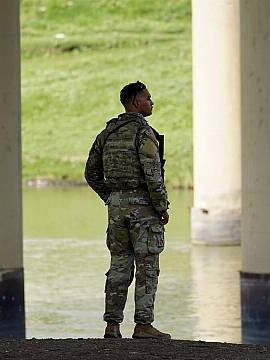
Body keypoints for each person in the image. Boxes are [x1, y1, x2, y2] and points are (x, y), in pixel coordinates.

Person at [84, 81, 170, 339]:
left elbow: (91, 173)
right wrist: (161, 206)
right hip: (143, 209)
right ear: (135, 102)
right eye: (147, 98)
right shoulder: (144, 133)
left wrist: (110, 197)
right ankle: (143, 325)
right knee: (147, 266)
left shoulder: (107, 133)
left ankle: (112, 326)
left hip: (117, 209)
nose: (151, 102)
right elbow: (153, 174)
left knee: (119, 265)